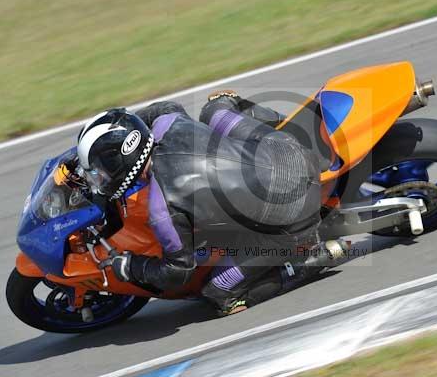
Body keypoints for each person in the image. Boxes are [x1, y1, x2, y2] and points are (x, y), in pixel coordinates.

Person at [76, 92, 344, 315]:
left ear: (121, 161)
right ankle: (284, 122)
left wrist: (131, 266)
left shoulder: (162, 207)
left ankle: (313, 258)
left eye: (100, 170)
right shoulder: (168, 124)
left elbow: (178, 270)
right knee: (215, 107)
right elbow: (164, 107)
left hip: (292, 220)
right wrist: (131, 123)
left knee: (218, 293)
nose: (99, 178)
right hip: (287, 148)